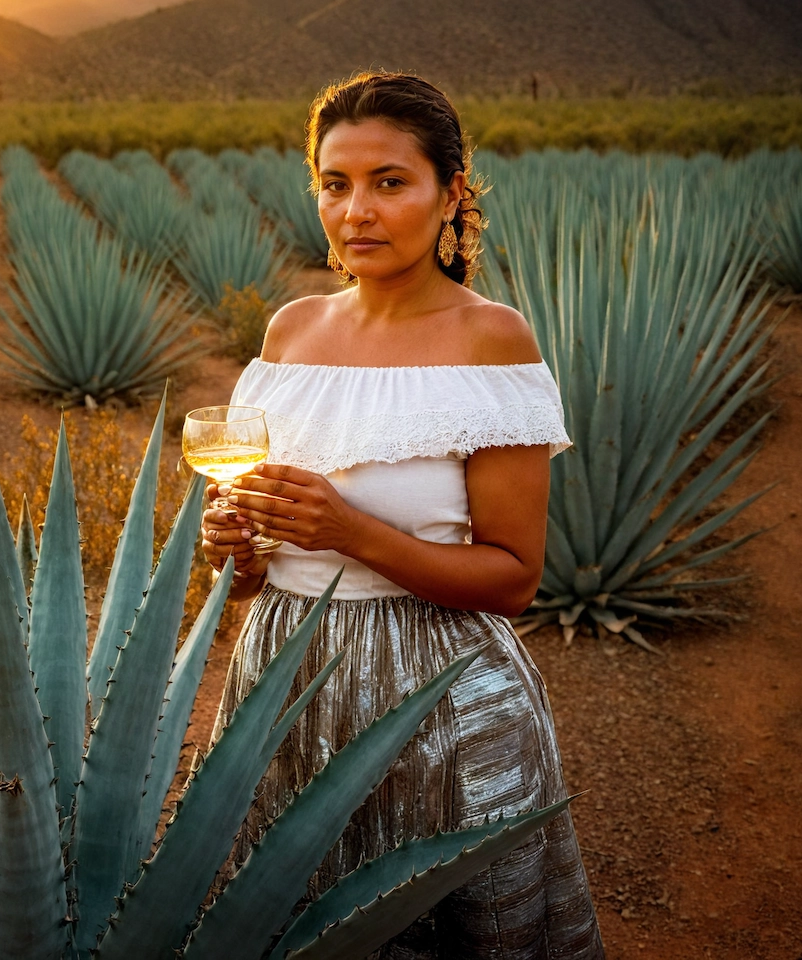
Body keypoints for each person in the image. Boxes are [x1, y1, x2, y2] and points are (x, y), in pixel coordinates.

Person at [200, 71, 604, 959]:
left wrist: (351, 532)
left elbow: (513, 580)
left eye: (391, 182)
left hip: (439, 706)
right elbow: (253, 572)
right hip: (282, 687)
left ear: (451, 192)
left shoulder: (489, 340)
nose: (358, 213)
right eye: (335, 185)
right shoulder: (290, 334)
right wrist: (237, 547)